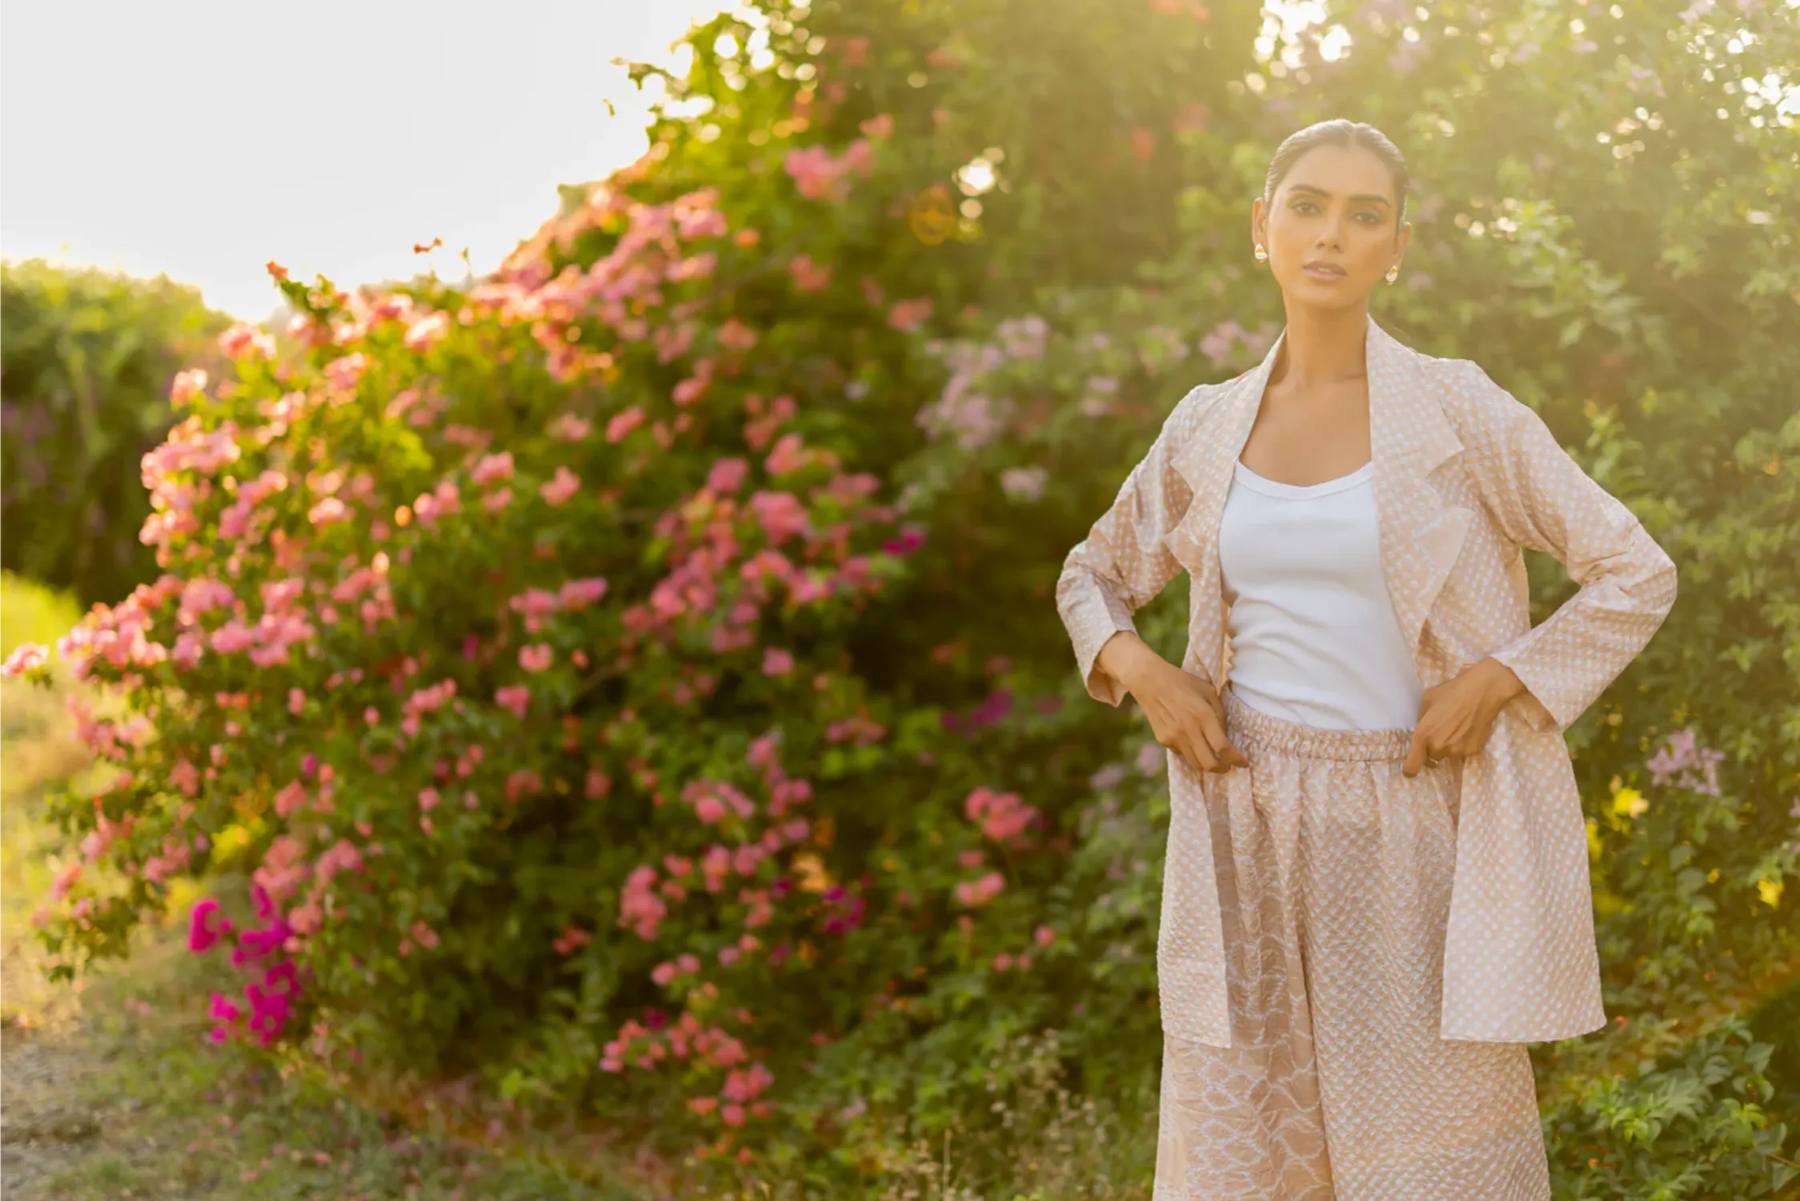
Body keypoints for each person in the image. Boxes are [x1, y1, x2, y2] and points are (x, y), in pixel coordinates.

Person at [1055, 118, 1677, 1200]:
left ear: (1398, 244)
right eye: (1307, 206)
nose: (1331, 234)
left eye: (1364, 214)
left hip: (1411, 823)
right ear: (1263, 225)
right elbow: (1091, 572)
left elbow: (1635, 569)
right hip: (1240, 822)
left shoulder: (1458, 409)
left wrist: (1501, 677)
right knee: (1249, 1172)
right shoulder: (1208, 425)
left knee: (1442, 1170)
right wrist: (1144, 673)